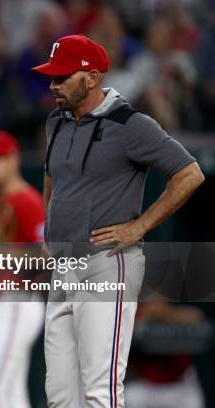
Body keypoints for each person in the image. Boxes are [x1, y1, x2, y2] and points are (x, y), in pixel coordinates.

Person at [31, 34, 204, 407]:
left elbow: (190, 173)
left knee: (99, 389)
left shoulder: (131, 124)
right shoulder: (56, 122)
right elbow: (52, 177)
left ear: (92, 77)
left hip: (106, 261)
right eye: (52, 76)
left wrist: (140, 226)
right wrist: (51, 228)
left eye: (63, 76)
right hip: (65, 262)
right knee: (59, 394)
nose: (53, 85)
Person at [0, 130, 45, 408]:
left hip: (15, 302)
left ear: (13, 159)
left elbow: (45, 259)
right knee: (11, 393)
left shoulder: (28, 201)